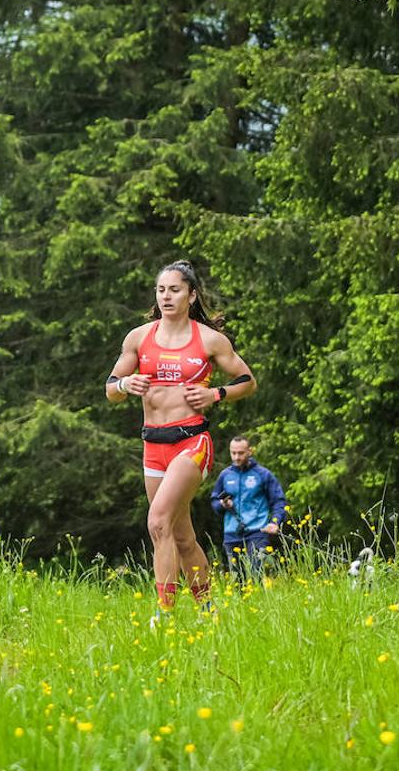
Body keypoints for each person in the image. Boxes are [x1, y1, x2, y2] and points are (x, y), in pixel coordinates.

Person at [105, 260, 256, 622]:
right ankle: (208, 609)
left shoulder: (208, 340)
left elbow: (247, 380)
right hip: (153, 446)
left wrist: (216, 395)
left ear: (191, 295)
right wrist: (127, 385)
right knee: (181, 536)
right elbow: (111, 389)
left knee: (157, 521)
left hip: (192, 442)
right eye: (161, 290)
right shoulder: (139, 337)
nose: (166, 296)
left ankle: (164, 615)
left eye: (174, 290)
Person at [210, 435, 288, 582]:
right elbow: (214, 502)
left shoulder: (263, 474)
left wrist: (275, 522)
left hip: (258, 532)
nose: (237, 457)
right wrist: (222, 505)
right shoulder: (225, 475)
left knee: (256, 574)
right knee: (237, 580)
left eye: (241, 453)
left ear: (249, 451)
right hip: (232, 533)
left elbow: (278, 501)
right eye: (233, 453)